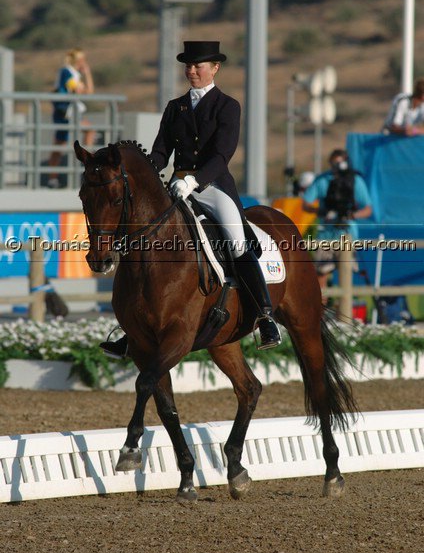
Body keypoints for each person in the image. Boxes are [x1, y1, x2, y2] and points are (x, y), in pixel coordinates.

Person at [100, 40, 281, 358]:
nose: (192, 71)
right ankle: (133, 330)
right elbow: (159, 152)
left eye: (198, 66)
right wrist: (144, 174)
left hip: (213, 187)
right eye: (188, 66)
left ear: (215, 68)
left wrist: (194, 181)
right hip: (176, 186)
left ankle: (265, 316)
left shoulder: (227, 106)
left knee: (236, 242)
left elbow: (223, 154)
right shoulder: (174, 107)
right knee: (142, 239)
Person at [302, 149, 372, 296]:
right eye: (334, 164)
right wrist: (320, 212)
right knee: (321, 274)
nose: (338, 167)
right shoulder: (322, 180)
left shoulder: (355, 181)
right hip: (325, 236)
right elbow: (306, 204)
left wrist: (352, 215)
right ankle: (322, 313)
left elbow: (367, 208)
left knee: (345, 276)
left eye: (340, 163)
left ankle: (344, 313)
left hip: (347, 234)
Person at [48, 48, 95, 188]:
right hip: (66, 112)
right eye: (83, 60)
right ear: (78, 60)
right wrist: (85, 75)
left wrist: (87, 74)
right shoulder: (67, 71)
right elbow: (80, 91)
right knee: (62, 143)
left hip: (69, 112)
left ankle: (53, 178)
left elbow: (89, 92)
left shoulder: (73, 73)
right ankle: (86, 164)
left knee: (60, 144)